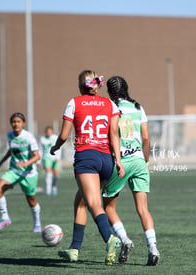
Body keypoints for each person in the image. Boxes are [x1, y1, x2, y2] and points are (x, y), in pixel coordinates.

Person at [50, 70, 125, 265]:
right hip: (106, 160)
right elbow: (114, 134)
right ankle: (74, 249)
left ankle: (110, 238)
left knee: (93, 204)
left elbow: (65, 135)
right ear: (97, 85)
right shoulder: (110, 104)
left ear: (80, 85)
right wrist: (118, 160)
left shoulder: (74, 102)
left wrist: (55, 147)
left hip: (87, 157)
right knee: (81, 202)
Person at [102, 76, 160, 266]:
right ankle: (153, 248)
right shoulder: (138, 108)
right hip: (139, 161)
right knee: (143, 209)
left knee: (108, 207)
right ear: (127, 89)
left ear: (109, 92)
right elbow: (146, 138)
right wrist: (145, 161)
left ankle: (125, 239)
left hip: (121, 161)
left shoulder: (110, 107)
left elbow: (110, 136)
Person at [0, 112, 42, 232]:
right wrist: (0, 163)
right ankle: (5, 218)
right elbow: (11, 150)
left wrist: (25, 164)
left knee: (31, 200)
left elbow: (37, 156)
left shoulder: (28, 137)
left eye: (18, 122)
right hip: (14, 171)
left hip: (28, 173)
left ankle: (37, 223)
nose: (16, 124)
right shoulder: (10, 135)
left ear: (23, 123)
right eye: (14, 122)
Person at [40, 126, 61, 195]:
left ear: (52, 132)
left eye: (50, 131)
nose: (49, 133)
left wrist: (58, 157)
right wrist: (39, 160)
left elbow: (59, 147)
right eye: (47, 132)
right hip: (46, 157)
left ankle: (54, 187)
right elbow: (40, 149)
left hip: (55, 157)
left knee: (56, 174)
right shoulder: (42, 139)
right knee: (48, 173)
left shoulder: (55, 138)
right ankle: (48, 190)